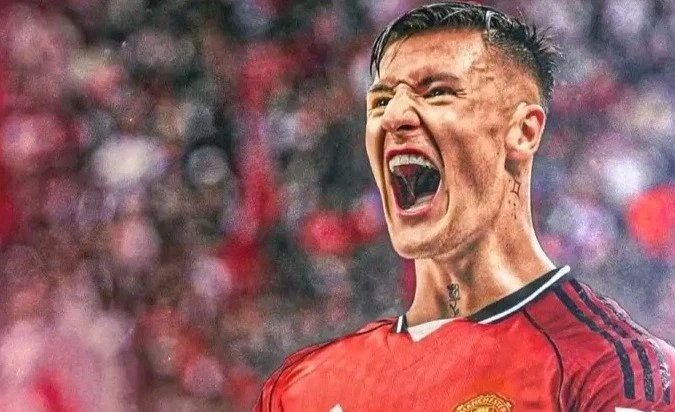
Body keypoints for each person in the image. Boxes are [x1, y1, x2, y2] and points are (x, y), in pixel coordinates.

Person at [254, 2, 675, 411]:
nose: (395, 116)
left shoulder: (608, 371)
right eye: (381, 101)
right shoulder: (299, 390)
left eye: (437, 92)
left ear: (522, 132)